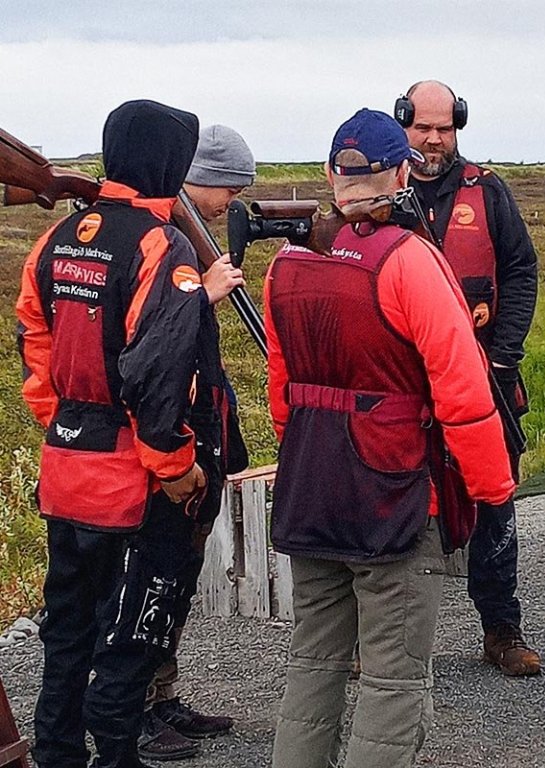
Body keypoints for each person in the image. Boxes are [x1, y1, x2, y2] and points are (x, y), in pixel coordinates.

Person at [266, 108, 515, 768]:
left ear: (330, 175)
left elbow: (282, 392)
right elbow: (464, 395)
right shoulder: (408, 262)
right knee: (393, 681)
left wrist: (303, 456)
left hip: (311, 490)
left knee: (312, 662)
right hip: (393, 496)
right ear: (401, 172)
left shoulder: (285, 263)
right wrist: (492, 491)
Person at [16, 99, 244, 768]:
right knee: (133, 633)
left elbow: (32, 335)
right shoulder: (160, 245)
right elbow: (160, 369)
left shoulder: (57, 237)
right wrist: (176, 469)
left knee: (66, 630)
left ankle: (57, 753)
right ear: (172, 163)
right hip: (133, 477)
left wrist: (58, 419)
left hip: (66, 461)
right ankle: (116, 754)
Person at [394, 80, 540, 675]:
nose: (433, 138)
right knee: (395, 506)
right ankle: (383, 641)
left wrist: (503, 359)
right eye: (423, 126)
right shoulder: (380, 191)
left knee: (494, 504)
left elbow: (523, 271)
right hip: (402, 391)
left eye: (445, 128)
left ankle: (501, 629)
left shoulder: (489, 192)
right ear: (403, 123)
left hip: (484, 382)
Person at [138, 124, 254, 762]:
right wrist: (201, 296)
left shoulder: (185, 234)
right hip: (171, 433)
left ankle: (160, 694)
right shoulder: (161, 240)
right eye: (227, 188)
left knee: (177, 573)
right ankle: (135, 706)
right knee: (152, 575)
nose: (231, 202)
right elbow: (150, 351)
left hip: (200, 421)